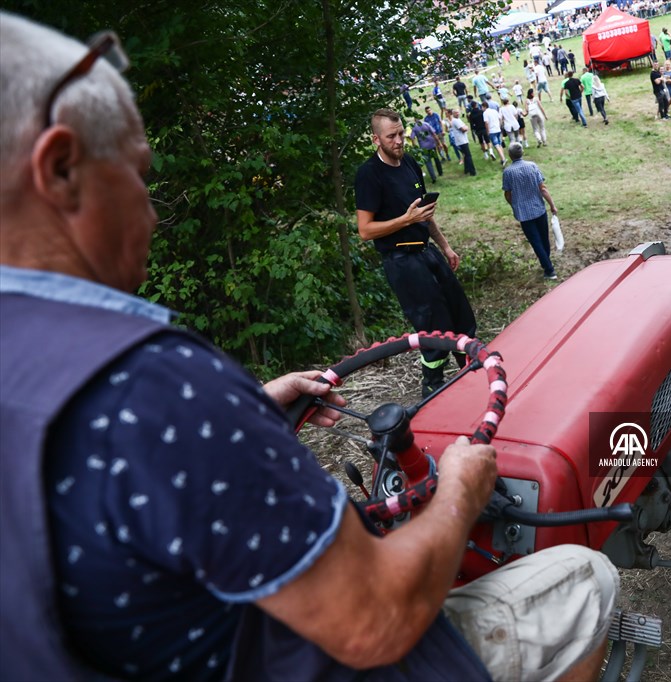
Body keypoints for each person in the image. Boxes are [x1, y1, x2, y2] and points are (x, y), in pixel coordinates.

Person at [0, 14, 619, 682]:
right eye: (139, 174)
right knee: (584, 582)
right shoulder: (157, 387)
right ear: (61, 169)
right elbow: (376, 620)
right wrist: (460, 494)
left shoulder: (74, 382)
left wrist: (251, 412)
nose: (150, 209)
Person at [356, 109, 477, 395]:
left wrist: (445, 246)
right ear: (377, 139)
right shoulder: (369, 174)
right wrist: (405, 221)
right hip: (400, 260)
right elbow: (365, 230)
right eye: (391, 137)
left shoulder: (409, 161)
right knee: (433, 324)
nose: (399, 141)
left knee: (461, 314)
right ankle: (432, 387)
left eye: (401, 134)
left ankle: (470, 371)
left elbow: (423, 213)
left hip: (427, 251)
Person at [501, 143, 559, 281]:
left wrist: (514, 205)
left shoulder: (508, 172)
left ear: (510, 155)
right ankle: (547, 262)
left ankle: (549, 269)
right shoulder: (532, 166)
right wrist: (552, 205)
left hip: (523, 214)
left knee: (535, 241)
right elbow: (543, 188)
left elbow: (507, 194)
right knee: (544, 237)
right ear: (522, 152)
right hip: (538, 208)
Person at [411, 116, 444, 183]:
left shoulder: (414, 128)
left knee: (428, 162)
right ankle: (440, 172)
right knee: (436, 158)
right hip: (432, 145)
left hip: (423, 147)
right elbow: (434, 134)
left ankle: (433, 177)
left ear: (415, 120)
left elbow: (412, 138)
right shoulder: (426, 124)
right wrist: (439, 143)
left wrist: (415, 146)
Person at [447, 108, 476, 176]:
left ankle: (466, 170)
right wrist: (466, 127)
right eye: (456, 113)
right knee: (468, 156)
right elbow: (463, 129)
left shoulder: (458, 120)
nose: (457, 113)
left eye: (458, 112)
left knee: (465, 155)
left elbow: (465, 126)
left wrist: (466, 127)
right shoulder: (455, 121)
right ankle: (472, 171)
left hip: (463, 139)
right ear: (453, 114)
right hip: (461, 141)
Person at [482, 100, 508, 165]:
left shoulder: (485, 113)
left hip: (492, 131)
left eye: (482, 107)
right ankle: (503, 157)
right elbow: (500, 118)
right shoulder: (494, 111)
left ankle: (503, 159)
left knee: (496, 145)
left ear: (484, 107)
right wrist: (499, 125)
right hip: (498, 129)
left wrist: (487, 131)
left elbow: (486, 123)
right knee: (499, 144)